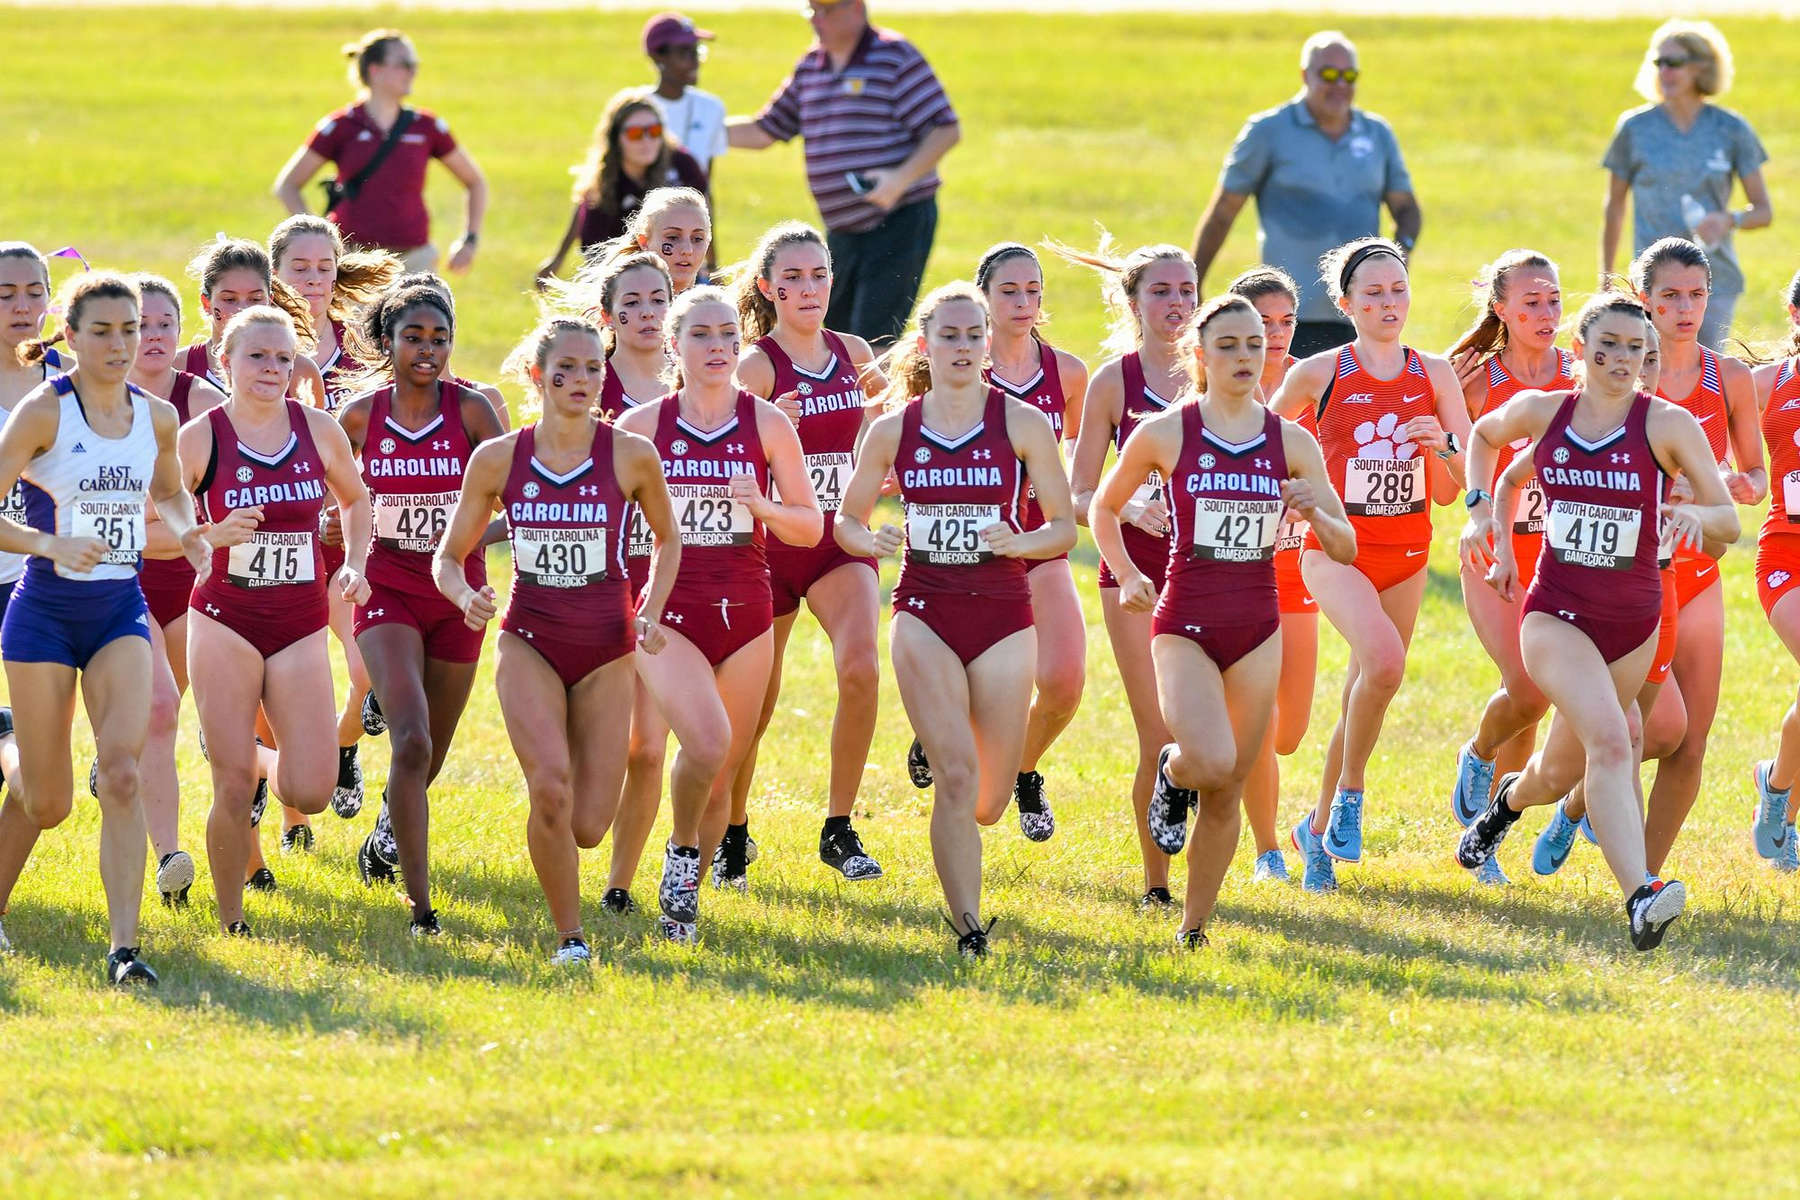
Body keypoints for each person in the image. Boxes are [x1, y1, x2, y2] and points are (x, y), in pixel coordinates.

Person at [1456, 293, 1738, 951]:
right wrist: (1478, 512)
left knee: (1558, 776)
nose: (1620, 359)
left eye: (1635, 349)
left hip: (1633, 625)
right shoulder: (1545, 412)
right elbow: (1482, 437)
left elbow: (1727, 521)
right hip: (1554, 614)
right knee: (1617, 741)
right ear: (1578, 350)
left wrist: (1699, 519)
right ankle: (1641, 897)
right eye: (1606, 345)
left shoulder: (1667, 426)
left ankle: (1502, 809)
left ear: (1648, 359)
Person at [1092, 295, 1354, 946]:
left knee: (1232, 780)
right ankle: (1170, 772)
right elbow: (1103, 507)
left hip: (1256, 625)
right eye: (1230, 345)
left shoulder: (1290, 441)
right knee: (1206, 760)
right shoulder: (1167, 432)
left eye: (1255, 345)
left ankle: (1194, 926)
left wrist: (1314, 512)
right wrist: (1127, 574)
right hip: (1183, 622)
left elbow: (1346, 544)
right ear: (1201, 356)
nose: (1246, 356)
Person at [835, 281, 1075, 957]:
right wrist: (870, 539)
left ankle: (943, 743)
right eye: (951, 335)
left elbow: (1061, 528)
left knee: (988, 801)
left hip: (1003, 612)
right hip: (924, 608)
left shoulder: (1021, 423)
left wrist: (1019, 543)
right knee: (957, 776)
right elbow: (847, 520)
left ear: (988, 345)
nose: (964, 347)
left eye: (975, 335)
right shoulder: (894, 430)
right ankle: (968, 925)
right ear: (925, 345)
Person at [435, 317, 680, 964]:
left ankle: (572, 843)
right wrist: (466, 596)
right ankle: (569, 936)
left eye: (593, 368)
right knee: (549, 786)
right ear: (538, 376)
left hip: (607, 644)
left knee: (588, 825)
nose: (582, 380)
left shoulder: (629, 453)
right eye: (566, 369)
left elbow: (669, 538)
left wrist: (649, 611)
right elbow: (447, 555)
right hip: (529, 639)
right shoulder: (499, 459)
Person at [0, 272, 212, 983]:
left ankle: (125, 951)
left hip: (119, 609)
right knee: (49, 800)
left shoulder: (156, 417)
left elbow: (173, 493)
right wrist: (46, 544)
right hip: (45, 617)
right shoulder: (42, 413)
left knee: (121, 772)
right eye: (103, 331)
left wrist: (191, 535)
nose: (122, 344)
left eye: (132, 329)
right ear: (69, 335)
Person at [613, 286, 821, 943]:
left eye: (729, 334)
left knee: (721, 765)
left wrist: (761, 507)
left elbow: (810, 527)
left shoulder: (767, 424)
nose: (720, 347)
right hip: (666, 612)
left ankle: (684, 901)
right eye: (702, 334)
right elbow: (606, 524)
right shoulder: (642, 427)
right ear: (673, 344)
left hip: (747, 609)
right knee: (696, 744)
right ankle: (668, 862)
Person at [1270, 236, 1468, 891]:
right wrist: (1292, 496)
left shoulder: (1434, 375)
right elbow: (1256, 448)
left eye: (1398, 290)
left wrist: (1438, 444)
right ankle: (1351, 794)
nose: (1389, 303)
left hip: (1408, 558)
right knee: (1384, 663)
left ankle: (1317, 831)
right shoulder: (1318, 373)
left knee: (1369, 690)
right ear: (1345, 302)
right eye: (1374, 293)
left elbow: (1452, 489)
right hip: (1332, 552)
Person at [178, 307, 371, 933]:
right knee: (231, 784)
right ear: (224, 361)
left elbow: (356, 498)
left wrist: (356, 564)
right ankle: (231, 918)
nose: (272, 369)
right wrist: (210, 532)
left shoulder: (318, 430)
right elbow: (156, 526)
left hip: (299, 621)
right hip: (224, 618)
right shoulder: (200, 437)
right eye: (257, 356)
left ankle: (261, 757)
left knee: (310, 790)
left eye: (284, 358)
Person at [337, 279, 506, 935]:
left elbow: (518, 503)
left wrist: (463, 541)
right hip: (388, 586)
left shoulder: (473, 413)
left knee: (428, 751)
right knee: (409, 739)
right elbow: (336, 496)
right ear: (388, 342)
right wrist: (336, 525)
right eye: (413, 337)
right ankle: (422, 910)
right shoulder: (359, 416)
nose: (428, 350)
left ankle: (386, 832)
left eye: (440, 338)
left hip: (458, 595)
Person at [725, 222, 887, 885]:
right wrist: (769, 423)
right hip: (766, 547)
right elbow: (718, 452)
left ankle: (839, 828)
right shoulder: (756, 365)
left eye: (817, 274)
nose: (807, 288)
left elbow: (884, 441)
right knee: (755, 706)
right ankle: (732, 832)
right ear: (767, 288)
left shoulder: (853, 353)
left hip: (837, 543)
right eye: (790, 278)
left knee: (861, 669)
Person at [1063, 239, 1196, 910]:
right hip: (1133, 576)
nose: (1176, 304)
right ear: (1133, 301)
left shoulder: (1222, 366)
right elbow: (1080, 494)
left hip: (1215, 575)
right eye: (1161, 292)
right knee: (1161, 732)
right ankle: (1157, 886)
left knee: (1214, 737)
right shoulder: (1114, 381)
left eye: (1186, 291)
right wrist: (1132, 508)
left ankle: (1213, 869)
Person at [1633, 237, 1763, 873]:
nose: (1685, 309)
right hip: (1630, 578)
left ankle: (1644, 880)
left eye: (1697, 295)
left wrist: (1743, 485)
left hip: (1700, 573)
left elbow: (1756, 474)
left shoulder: (1729, 378)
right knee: (1644, 730)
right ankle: (1576, 802)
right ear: (1643, 299)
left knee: (1691, 741)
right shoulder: (1620, 372)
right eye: (1670, 296)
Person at [726, 0, 960, 347]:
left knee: (874, 334)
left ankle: (869, 402)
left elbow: (945, 129)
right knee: (828, 332)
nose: (817, 19)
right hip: (842, 230)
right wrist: (696, 133)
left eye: (826, 9)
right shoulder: (811, 65)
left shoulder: (893, 56)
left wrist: (898, 180)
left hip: (897, 218)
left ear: (856, 9)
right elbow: (765, 130)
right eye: (811, 10)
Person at [1445, 251, 1572, 879]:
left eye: (1553, 300)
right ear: (1501, 309)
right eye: (1531, 303)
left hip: (1564, 556)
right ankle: (1478, 752)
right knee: (1525, 686)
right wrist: (1475, 507)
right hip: (1496, 549)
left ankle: (1486, 832)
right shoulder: (1475, 380)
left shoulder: (1584, 373)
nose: (1546, 313)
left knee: (1535, 698)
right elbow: (1457, 461)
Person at [271, 215, 402, 818]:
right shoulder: (260, 345)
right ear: (276, 274)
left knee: (366, 669)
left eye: (325, 267)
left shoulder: (365, 348)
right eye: (300, 268)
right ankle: (290, 812)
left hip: (345, 536)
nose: (315, 280)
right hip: (276, 542)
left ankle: (344, 743)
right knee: (280, 691)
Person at [1190, 30, 1420, 359]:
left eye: (1348, 75)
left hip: (1359, 312)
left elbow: (1406, 208)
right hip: (1287, 316)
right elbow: (1224, 211)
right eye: (1328, 74)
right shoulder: (1268, 131)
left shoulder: (1377, 134)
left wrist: (1402, 252)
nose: (1339, 84)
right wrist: (1195, 283)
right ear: (1304, 74)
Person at [978, 243, 1089, 841]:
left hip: (1041, 544)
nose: (1024, 303)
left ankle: (1023, 768)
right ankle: (947, 737)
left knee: (1065, 680)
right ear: (985, 300)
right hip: (973, 551)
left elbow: (1072, 476)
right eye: (1009, 292)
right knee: (988, 681)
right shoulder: (960, 362)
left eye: (1033, 291)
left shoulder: (1068, 374)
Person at [129, 274, 229, 905]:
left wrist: (186, 534)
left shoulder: (204, 403)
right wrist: (191, 531)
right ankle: (169, 856)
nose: (154, 337)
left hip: (193, 585)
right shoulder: (98, 404)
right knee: (160, 711)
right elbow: (176, 529)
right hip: (123, 584)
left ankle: (124, 748)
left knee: (162, 714)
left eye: (164, 324)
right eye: (140, 326)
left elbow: (213, 523)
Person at [1601, 19, 1770, 350]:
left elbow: (1763, 211)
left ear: (1701, 68)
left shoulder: (1731, 129)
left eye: (1674, 62)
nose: (1664, 71)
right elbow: (1615, 207)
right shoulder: (1635, 128)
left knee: (1706, 376)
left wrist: (1729, 220)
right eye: (1659, 62)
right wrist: (1606, 279)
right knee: (1648, 377)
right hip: (1650, 283)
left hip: (1714, 281)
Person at [274, 29, 488, 275]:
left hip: (415, 260)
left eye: (414, 64)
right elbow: (288, 185)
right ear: (375, 71)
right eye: (404, 64)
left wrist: (469, 240)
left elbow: (475, 181)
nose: (412, 71)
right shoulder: (341, 125)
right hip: (355, 260)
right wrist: (318, 241)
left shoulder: (427, 126)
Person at [1228, 266, 1314, 883]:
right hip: (1238, 580)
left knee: (1289, 731)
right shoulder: (1222, 393)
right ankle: (1266, 851)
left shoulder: (1315, 384)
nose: (1278, 334)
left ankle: (1212, 757)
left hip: (1299, 573)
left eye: (1287, 321)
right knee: (1257, 727)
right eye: (1264, 323)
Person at [534, 89, 711, 287]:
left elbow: (704, 217)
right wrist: (558, 258)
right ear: (615, 137)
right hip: (620, 273)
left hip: (681, 269)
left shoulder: (682, 165)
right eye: (635, 133)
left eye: (654, 131)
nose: (647, 141)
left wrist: (712, 265)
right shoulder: (606, 179)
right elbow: (586, 214)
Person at [1747, 270, 1800, 869]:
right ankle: (1780, 799)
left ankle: (1778, 791)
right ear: (1794, 315)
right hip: (1786, 552)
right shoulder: (1764, 384)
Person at [182, 239, 327, 405]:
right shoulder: (179, 366)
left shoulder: (300, 371)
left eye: (255, 299)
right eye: (230, 299)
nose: (244, 309)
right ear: (207, 303)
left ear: (269, 301)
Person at [642, 12, 727, 178]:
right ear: (658, 56)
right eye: (684, 53)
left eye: (697, 51)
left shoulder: (712, 108)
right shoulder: (636, 109)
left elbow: (706, 183)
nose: (695, 62)